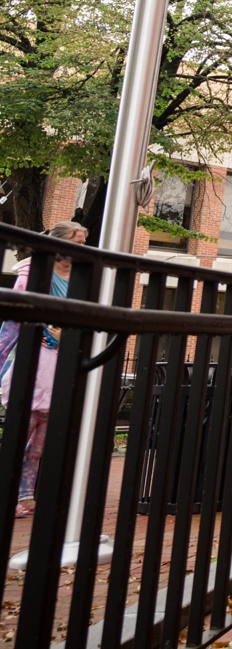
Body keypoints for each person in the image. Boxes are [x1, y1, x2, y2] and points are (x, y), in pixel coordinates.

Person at [0, 220, 88, 517]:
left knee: (42, 439)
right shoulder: (34, 273)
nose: (80, 249)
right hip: (35, 359)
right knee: (20, 431)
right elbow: (14, 320)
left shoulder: (82, 279)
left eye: (83, 244)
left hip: (62, 364)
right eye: (75, 243)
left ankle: (25, 493)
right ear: (58, 243)